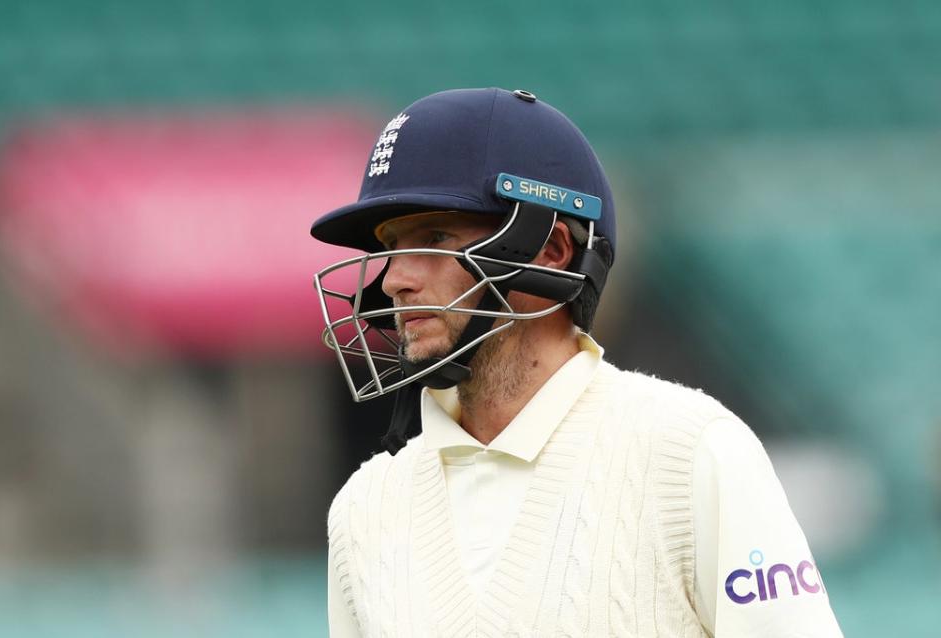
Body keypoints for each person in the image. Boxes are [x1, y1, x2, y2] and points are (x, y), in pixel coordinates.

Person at [310, 88, 843, 637]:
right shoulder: (365, 509)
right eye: (391, 247)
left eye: (436, 237)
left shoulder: (691, 453)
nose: (395, 279)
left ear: (551, 250)